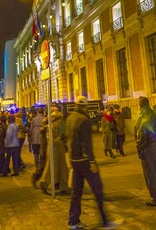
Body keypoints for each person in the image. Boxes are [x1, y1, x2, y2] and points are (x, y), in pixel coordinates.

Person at [66, 96, 118, 230]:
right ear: (85, 106)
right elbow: (86, 143)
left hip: (74, 159)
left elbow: (66, 138)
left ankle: (73, 221)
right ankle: (105, 221)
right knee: (98, 190)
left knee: (76, 192)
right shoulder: (83, 120)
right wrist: (92, 161)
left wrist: (69, 156)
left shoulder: (70, 117)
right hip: (85, 161)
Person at [134, 96, 156, 207]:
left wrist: (139, 148)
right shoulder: (153, 113)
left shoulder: (145, 115)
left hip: (148, 147)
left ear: (140, 105)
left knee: (150, 173)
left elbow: (142, 134)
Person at [38, 111, 69, 194]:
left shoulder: (61, 127)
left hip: (60, 149)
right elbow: (49, 140)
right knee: (50, 168)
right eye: (59, 120)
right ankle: (43, 184)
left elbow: (64, 135)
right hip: (53, 150)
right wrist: (58, 140)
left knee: (63, 168)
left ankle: (63, 187)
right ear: (55, 120)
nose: (60, 121)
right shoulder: (49, 127)